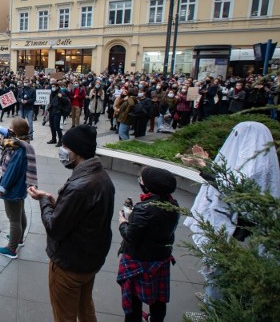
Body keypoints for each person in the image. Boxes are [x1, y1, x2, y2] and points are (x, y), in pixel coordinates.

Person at [182, 121, 280, 304]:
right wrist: (206, 164)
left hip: (238, 231)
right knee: (218, 269)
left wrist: (205, 167)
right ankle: (215, 295)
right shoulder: (255, 162)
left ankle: (216, 307)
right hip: (233, 227)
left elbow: (233, 186)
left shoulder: (258, 167)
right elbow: (229, 178)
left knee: (223, 269)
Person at [28, 125, 115, 322]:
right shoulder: (101, 177)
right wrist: (52, 200)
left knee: (64, 315)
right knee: (85, 309)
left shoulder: (79, 186)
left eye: (66, 147)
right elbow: (83, 215)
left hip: (69, 264)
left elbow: (54, 228)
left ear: (77, 152)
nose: (62, 151)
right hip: (89, 260)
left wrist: (43, 201)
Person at [117, 167, 179, 322]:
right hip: (160, 259)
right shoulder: (173, 204)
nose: (140, 181)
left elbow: (131, 236)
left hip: (139, 261)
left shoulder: (144, 209)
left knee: (133, 299)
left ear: (150, 186)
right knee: (159, 299)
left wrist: (123, 222)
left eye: (142, 179)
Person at [0, 118, 37, 259]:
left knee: (14, 219)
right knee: (20, 213)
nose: (8, 128)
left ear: (16, 132)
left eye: (11, 127)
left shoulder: (19, 151)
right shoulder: (20, 144)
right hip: (20, 188)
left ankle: (11, 248)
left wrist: (0, 189)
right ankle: (19, 238)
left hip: (13, 189)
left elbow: (11, 172)